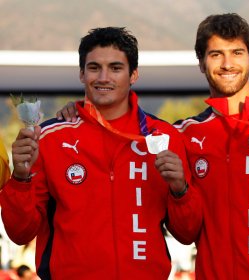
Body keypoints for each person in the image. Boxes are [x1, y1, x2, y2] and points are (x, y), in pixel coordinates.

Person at [57, 14, 249, 279]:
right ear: (202, 64)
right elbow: (184, 227)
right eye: (216, 54)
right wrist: (82, 113)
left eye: (237, 52)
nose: (227, 63)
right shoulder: (184, 135)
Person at [0, 27, 201, 280]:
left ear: (134, 74)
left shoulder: (164, 137)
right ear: (82, 74)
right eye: (94, 68)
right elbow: (19, 233)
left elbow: (187, 233)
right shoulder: (50, 138)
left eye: (116, 68)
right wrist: (19, 179)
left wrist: (180, 189)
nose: (104, 77)